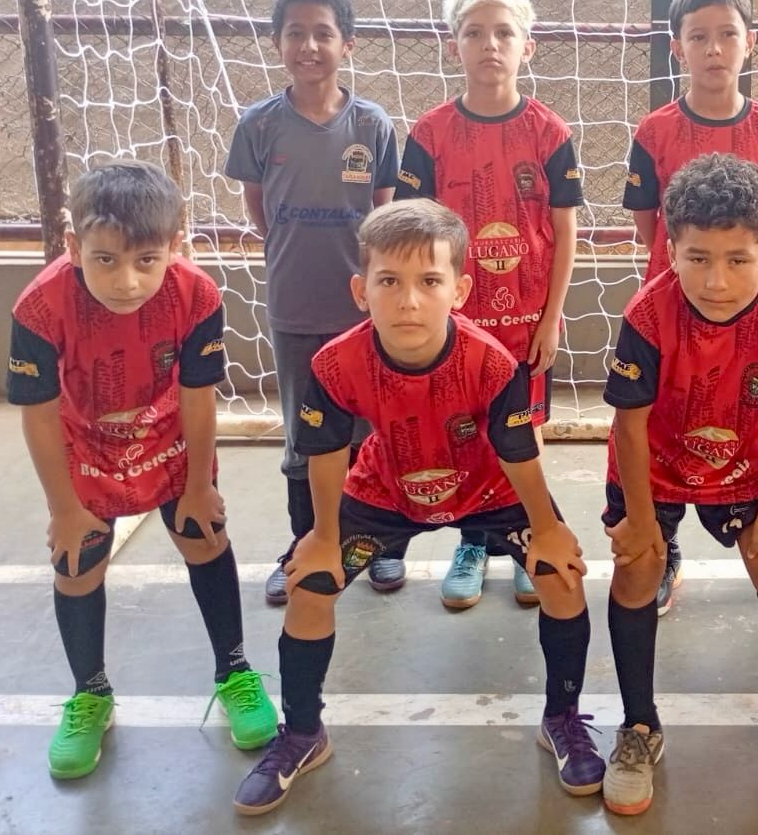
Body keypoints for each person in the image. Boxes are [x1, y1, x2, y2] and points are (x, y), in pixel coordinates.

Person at [233, 200, 599, 816]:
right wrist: (322, 535)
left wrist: (548, 527)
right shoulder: (334, 363)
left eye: (430, 281)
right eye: (389, 281)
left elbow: (516, 451)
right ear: (361, 291)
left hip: (487, 488)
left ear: (460, 291)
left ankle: (562, 719)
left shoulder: (492, 362)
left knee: (560, 578)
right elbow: (326, 452)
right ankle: (302, 733)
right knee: (309, 586)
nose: (408, 300)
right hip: (387, 488)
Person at [7, 162, 276, 779]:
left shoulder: (197, 295)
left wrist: (199, 485)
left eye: (146, 260)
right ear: (73, 245)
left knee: (204, 537)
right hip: (85, 448)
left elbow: (198, 398)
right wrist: (64, 508)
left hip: (168, 438)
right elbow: (39, 417)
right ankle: (91, 694)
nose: (126, 281)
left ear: (175, 246)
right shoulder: (39, 308)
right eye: (105, 260)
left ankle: (235, 671)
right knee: (77, 565)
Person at [600, 153, 758, 816]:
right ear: (670, 251)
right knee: (637, 570)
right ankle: (639, 725)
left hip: (743, 460)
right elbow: (629, 426)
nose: (716, 280)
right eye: (698, 258)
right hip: (654, 464)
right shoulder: (647, 314)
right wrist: (641, 520)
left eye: (738, 259)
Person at [621, 0, 758, 617]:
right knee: (665, 420)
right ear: (677, 47)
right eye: (698, 37)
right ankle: (663, 543)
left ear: (750, 41)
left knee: (754, 421)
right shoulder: (654, 130)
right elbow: (649, 225)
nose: (714, 49)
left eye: (727, 35)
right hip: (677, 307)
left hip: (750, 309)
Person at [397, 0, 581, 611]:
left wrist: (551, 318)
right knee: (465, 436)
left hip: (527, 323)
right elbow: (413, 235)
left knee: (521, 437)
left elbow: (563, 229)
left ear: (527, 46)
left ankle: (527, 537)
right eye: (474, 33)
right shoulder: (430, 133)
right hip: (458, 327)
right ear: (455, 47)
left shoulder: (548, 131)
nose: (490, 45)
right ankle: (473, 543)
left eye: (504, 33)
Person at [225, 0, 402, 605]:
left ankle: (376, 543)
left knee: (370, 431)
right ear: (277, 43)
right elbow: (260, 212)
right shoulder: (259, 125)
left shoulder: (372, 124)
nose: (309, 45)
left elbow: (382, 220)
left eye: (323, 33)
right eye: (295, 33)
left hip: (363, 310)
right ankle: (307, 545)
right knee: (305, 435)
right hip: (295, 306)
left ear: (347, 44)